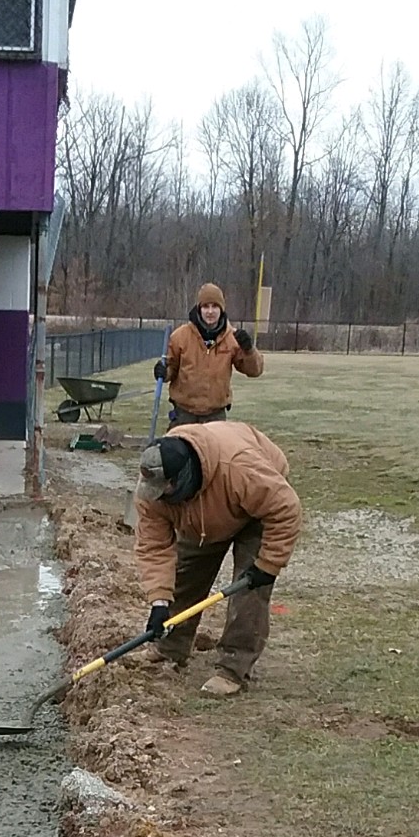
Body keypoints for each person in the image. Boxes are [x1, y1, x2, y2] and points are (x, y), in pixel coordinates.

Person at [134, 420, 301, 697]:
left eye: (164, 491)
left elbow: (286, 509)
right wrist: (159, 601)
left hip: (257, 510)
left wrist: (268, 565)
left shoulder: (240, 469)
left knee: (249, 591)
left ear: (181, 479)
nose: (157, 497)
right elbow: (154, 547)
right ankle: (171, 649)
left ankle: (233, 667)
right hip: (202, 516)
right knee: (185, 576)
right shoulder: (152, 490)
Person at [155, 283, 263, 425]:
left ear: (221, 309)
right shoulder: (180, 336)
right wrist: (163, 371)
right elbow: (171, 368)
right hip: (184, 415)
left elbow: (255, 371)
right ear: (199, 309)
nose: (210, 311)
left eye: (215, 306)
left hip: (215, 416)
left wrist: (249, 350)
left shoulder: (232, 338)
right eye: (206, 306)